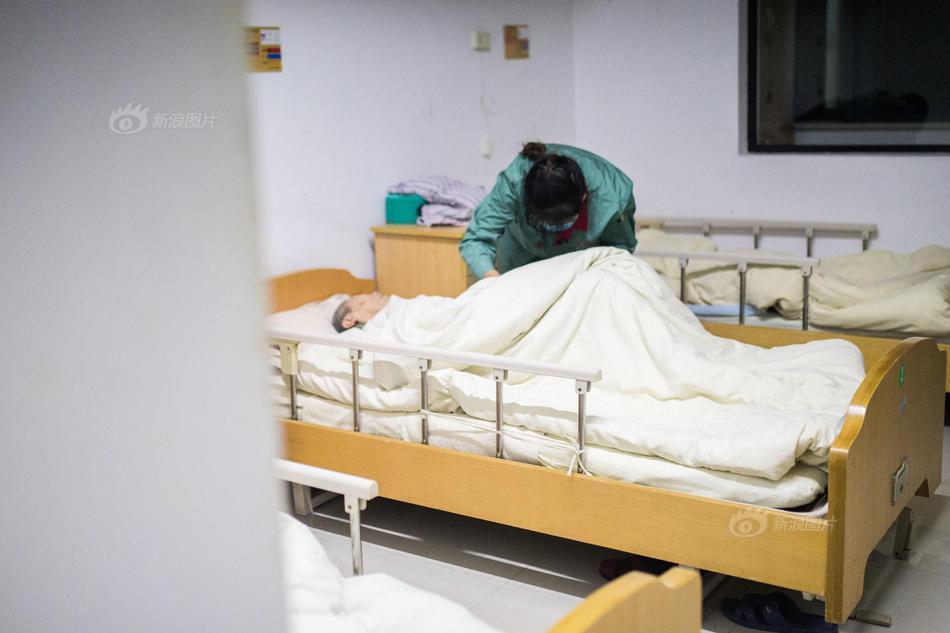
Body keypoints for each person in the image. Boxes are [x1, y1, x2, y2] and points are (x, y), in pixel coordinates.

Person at [459, 142, 637, 279]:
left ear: (584, 198)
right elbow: (476, 240)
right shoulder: (515, 182)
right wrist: (493, 280)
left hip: (577, 255)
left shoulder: (612, 198)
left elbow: (619, 252)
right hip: (519, 246)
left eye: (561, 221)